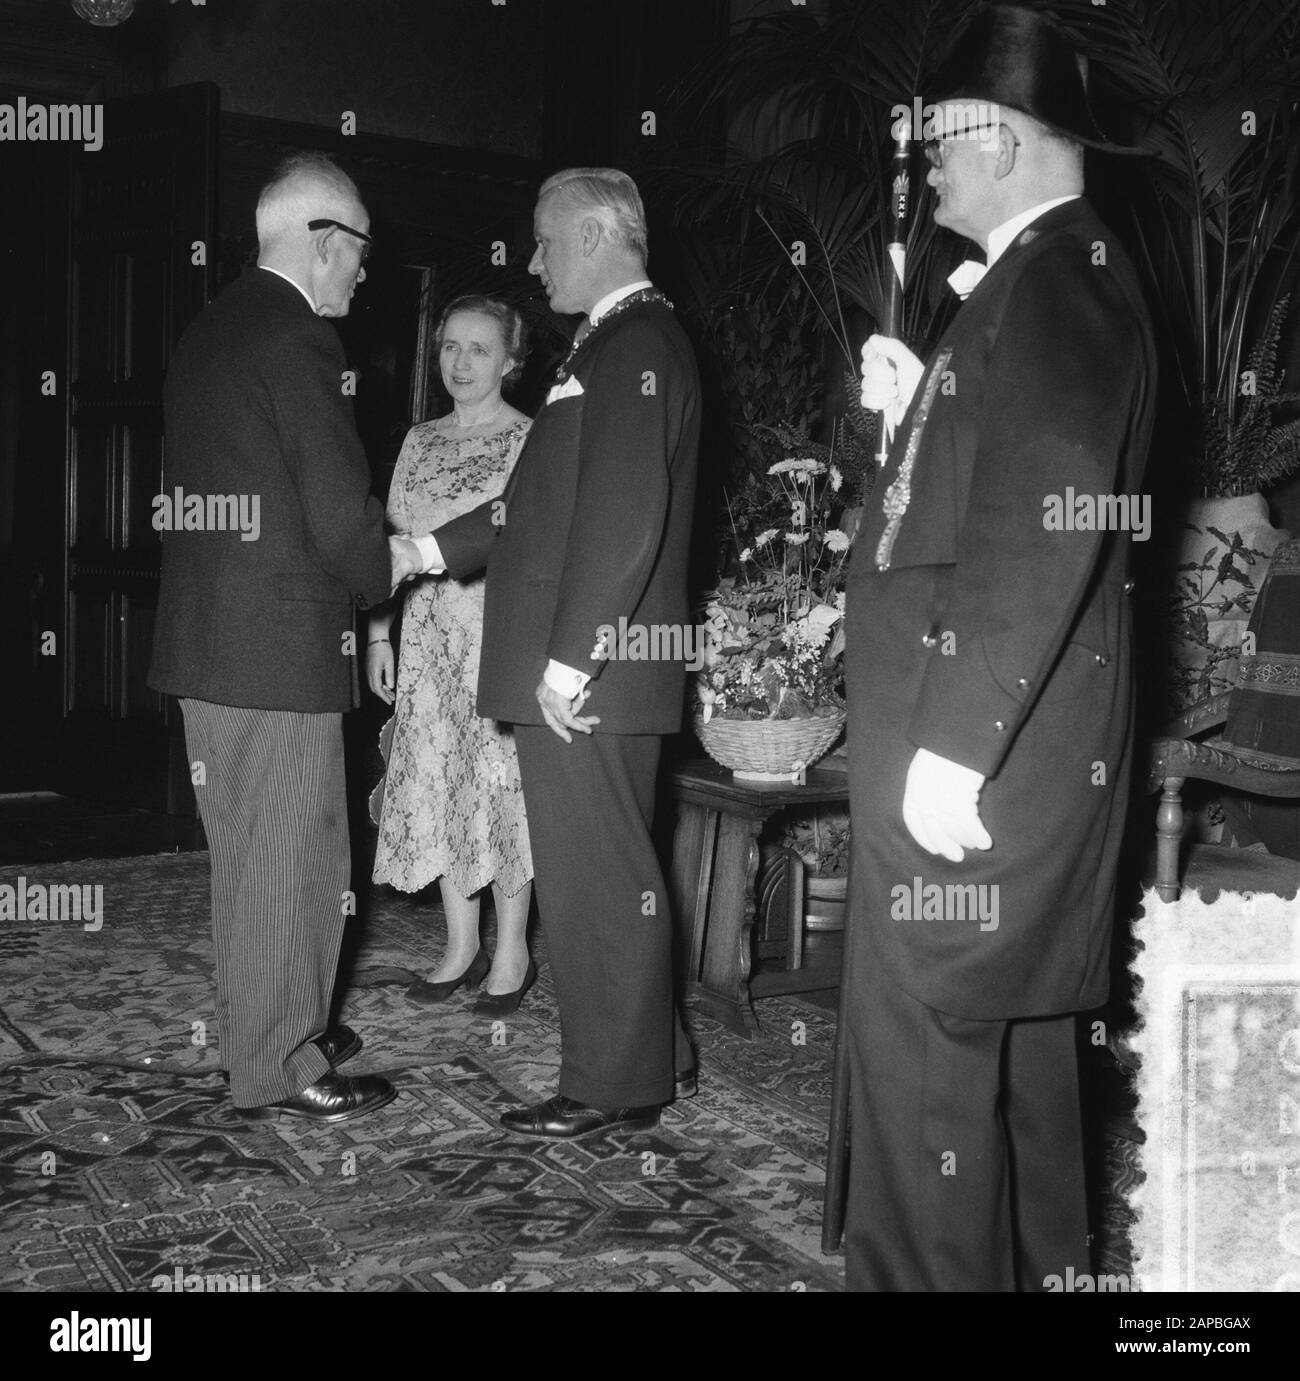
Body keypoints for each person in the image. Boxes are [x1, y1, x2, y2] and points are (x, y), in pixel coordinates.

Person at [846, 5, 1156, 1289]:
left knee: (931, 1069)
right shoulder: (1041, 280)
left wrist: (952, 747)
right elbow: (1003, 485)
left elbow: (1045, 524)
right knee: (1017, 1057)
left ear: (1012, 145)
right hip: (999, 740)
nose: (924, 163)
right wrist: (917, 406)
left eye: (943, 139)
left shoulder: (1055, 280)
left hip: (981, 747)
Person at [390, 167, 700, 1139]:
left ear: (599, 233)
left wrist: (571, 660)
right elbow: (541, 499)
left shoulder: (638, 341)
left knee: (595, 877)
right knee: (611, 865)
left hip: (591, 674)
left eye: (543, 239)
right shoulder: (611, 343)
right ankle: (660, 1051)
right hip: (588, 667)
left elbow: (623, 515)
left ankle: (614, 1084)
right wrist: (431, 548)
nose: (530, 260)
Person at [150, 152, 408, 1124]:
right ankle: (280, 1063)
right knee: (295, 863)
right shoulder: (303, 342)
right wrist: (391, 575)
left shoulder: (209, 329)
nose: (365, 274)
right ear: (326, 242)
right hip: (277, 654)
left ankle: (275, 1021)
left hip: (208, 648)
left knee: (249, 857)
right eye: (360, 253)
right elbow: (342, 520)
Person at [368, 296, 535, 1015]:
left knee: (497, 791)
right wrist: (379, 634)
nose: (461, 363)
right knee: (437, 781)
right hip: (425, 641)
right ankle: (461, 944)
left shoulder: (532, 438)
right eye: (449, 348)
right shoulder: (418, 439)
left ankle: (512, 951)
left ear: (510, 360)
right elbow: (389, 540)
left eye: (478, 349)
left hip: (495, 638)